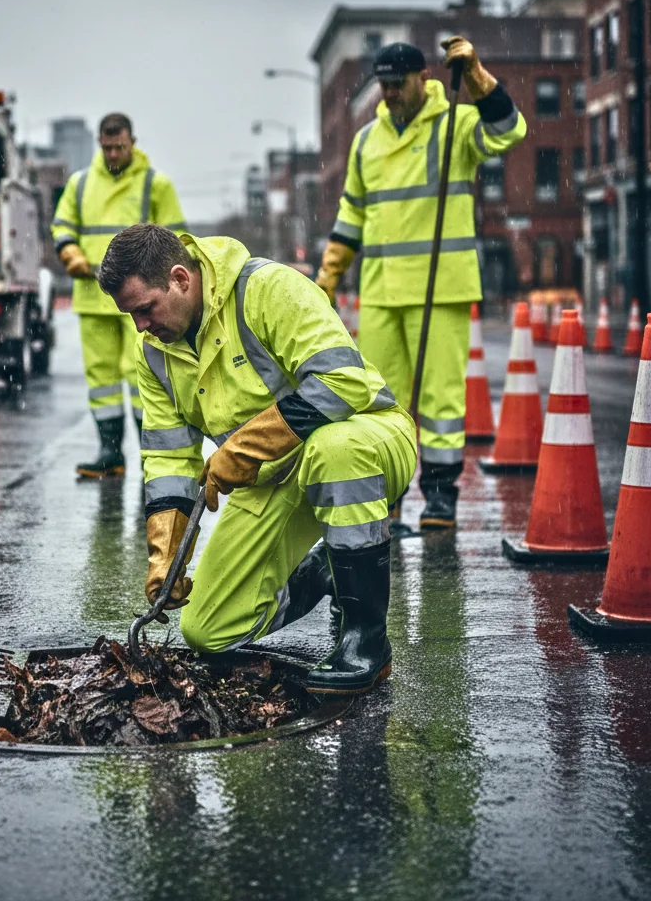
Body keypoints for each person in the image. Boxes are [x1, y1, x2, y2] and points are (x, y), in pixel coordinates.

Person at [97, 225, 417, 694]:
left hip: (367, 440)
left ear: (181, 279)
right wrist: (165, 556)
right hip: (273, 480)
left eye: (146, 309)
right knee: (208, 631)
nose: (141, 326)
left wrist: (244, 447)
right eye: (131, 316)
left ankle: (366, 643)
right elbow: (168, 459)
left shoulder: (267, 288)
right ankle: (328, 571)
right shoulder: (156, 355)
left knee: (335, 450)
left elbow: (342, 381)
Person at [315, 37, 527, 530]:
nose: (389, 94)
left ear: (423, 78)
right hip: (384, 290)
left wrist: (475, 72)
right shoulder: (367, 140)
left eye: (397, 84)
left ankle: (439, 497)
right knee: (379, 399)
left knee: (440, 400)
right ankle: (386, 494)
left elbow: (509, 129)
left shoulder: (455, 124)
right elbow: (352, 212)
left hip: (441, 287)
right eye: (383, 86)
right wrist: (328, 274)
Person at [51, 113, 187, 478]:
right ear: (99, 143)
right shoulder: (80, 184)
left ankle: (151, 457)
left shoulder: (154, 185)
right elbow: (62, 225)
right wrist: (70, 253)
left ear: (132, 143)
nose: (113, 154)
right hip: (92, 297)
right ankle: (110, 452)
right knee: (102, 379)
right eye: (108, 147)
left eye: (120, 147)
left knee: (143, 375)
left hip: (141, 302)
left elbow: (175, 239)